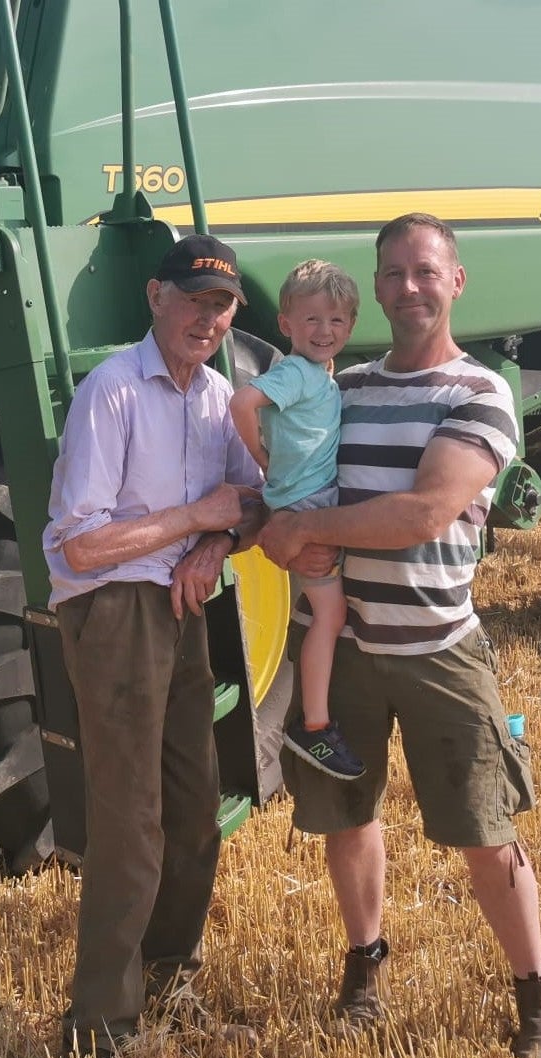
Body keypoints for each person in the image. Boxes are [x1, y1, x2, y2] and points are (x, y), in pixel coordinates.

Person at [257, 213, 541, 1058]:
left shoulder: (477, 394)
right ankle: (364, 971)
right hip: (346, 648)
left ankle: (539, 993)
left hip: (439, 649)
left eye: (425, 271)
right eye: (393, 273)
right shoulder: (345, 387)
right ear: (376, 285)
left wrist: (303, 528)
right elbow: (280, 466)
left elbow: (423, 513)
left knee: (485, 829)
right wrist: (263, 524)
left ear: (456, 281)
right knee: (346, 817)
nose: (409, 287)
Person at [42, 233, 263, 1058]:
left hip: (180, 601)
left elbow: (254, 501)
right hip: (113, 609)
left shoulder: (218, 398)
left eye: (223, 305)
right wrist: (193, 523)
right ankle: (102, 1029)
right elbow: (80, 550)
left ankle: (171, 983)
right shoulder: (111, 391)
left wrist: (214, 547)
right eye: (195, 300)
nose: (208, 318)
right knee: (130, 819)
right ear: (155, 297)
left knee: (194, 807)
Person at [228, 259, 365, 782]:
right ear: (285, 324)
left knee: (326, 611)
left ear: (350, 326)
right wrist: (262, 455)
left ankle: (319, 709)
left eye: (335, 321)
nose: (324, 331)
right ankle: (314, 725)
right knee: (330, 615)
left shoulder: (320, 376)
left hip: (311, 497)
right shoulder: (297, 372)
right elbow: (243, 401)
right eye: (311, 320)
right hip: (306, 505)